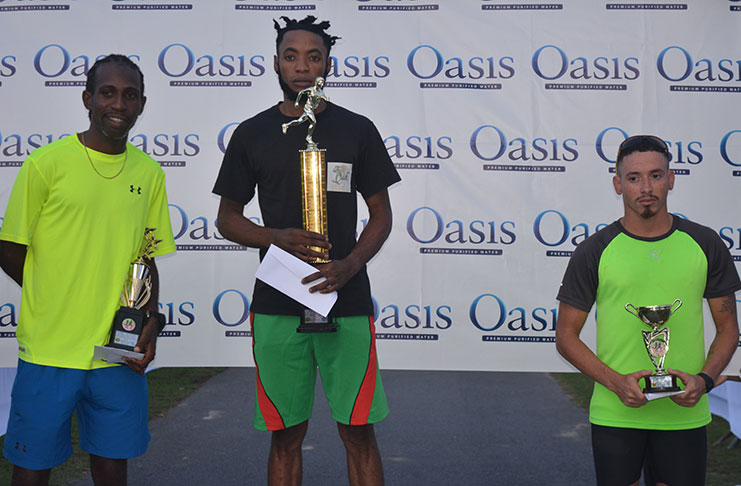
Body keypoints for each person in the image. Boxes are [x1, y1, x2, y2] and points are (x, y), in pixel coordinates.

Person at [213, 15, 400, 486]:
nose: (302, 66)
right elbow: (227, 219)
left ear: (328, 64)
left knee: (359, 434)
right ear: (275, 63)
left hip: (348, 302)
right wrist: (274, 236)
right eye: (291, 56)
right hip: (277, 304)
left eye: (313, 56)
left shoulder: (357, 129)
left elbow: (382, 215)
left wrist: (350, 265)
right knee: (285, 438)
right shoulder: (252, 133)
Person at [0, 54, 175, 486]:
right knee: (32, 469)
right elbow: (8, 248)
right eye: (108, 92)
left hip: (117, 353)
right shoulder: (46, 164)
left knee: (113, 467)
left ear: (142, 104)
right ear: (87, 98)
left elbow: (146, 257)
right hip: (49, 351)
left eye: (130, 95)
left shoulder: (149, 173)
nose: (119, 103)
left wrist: (150, 318)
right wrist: (52, 292)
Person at [555, 135, 740, 486]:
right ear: (617, 184)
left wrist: (704, 381)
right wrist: (615, 383)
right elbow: (565, 336)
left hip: (683, 414)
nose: (646, 187)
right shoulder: (595, 250)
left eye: (656, 175)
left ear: (670, 179)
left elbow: (728, 327)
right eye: (634, 177)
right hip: (616, 413)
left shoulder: (705, 243)